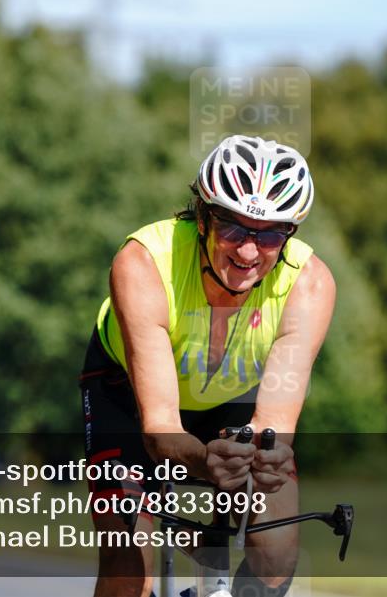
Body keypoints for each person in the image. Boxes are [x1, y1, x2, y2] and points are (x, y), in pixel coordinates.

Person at [79, 135, 335, 597]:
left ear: (289, 235)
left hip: (234, 397)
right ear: (201, 216)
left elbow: (274, 426)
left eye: (270, 234)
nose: (248, 252)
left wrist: (262, 463)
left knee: (276, 552)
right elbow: (159, 428)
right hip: (128, 393)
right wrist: (201, 460)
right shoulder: (143, 263)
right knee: (128, 560)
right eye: (232, 228)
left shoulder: (309, 285)